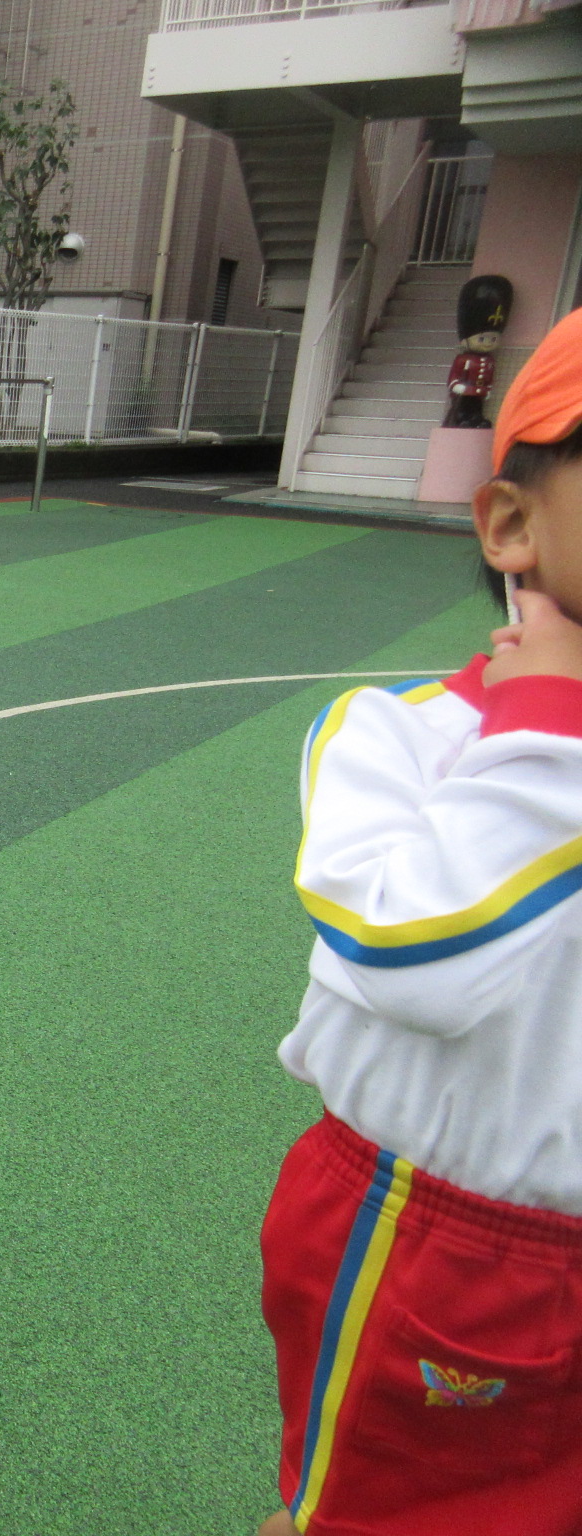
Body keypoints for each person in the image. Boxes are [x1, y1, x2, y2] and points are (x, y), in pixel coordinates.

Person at [258, 304, 582, 1536]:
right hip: (447, 1247)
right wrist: (547, 729)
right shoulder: (393, 737)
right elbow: (414, 960)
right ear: (510, 525)